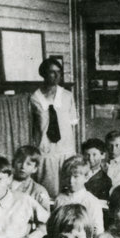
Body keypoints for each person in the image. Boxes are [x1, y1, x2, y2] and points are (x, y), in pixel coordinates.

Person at [30, 56, 78, 198]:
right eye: (52, 72)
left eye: (59, 72)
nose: (56, 75)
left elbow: (73, 125)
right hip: (46, 153)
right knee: (48, 192)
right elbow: (32, 128)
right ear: (44, 73)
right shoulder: (34, 98)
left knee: (68, 191)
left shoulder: (68, 96)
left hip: (66, 151)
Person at [52, 156, 104, 235]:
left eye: (76, 176)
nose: (71, 181)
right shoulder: (60, 199)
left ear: (86, 177)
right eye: (68, 176)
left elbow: (98, 231)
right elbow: (54, 226)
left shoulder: (91, 202)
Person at [11, 145, 52, 212]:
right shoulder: (2, 185)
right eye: (19, 162)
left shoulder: (39, 191)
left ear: (35, 169)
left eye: (28, 164)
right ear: (13, 163)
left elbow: (45, 217)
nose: (23, 167)